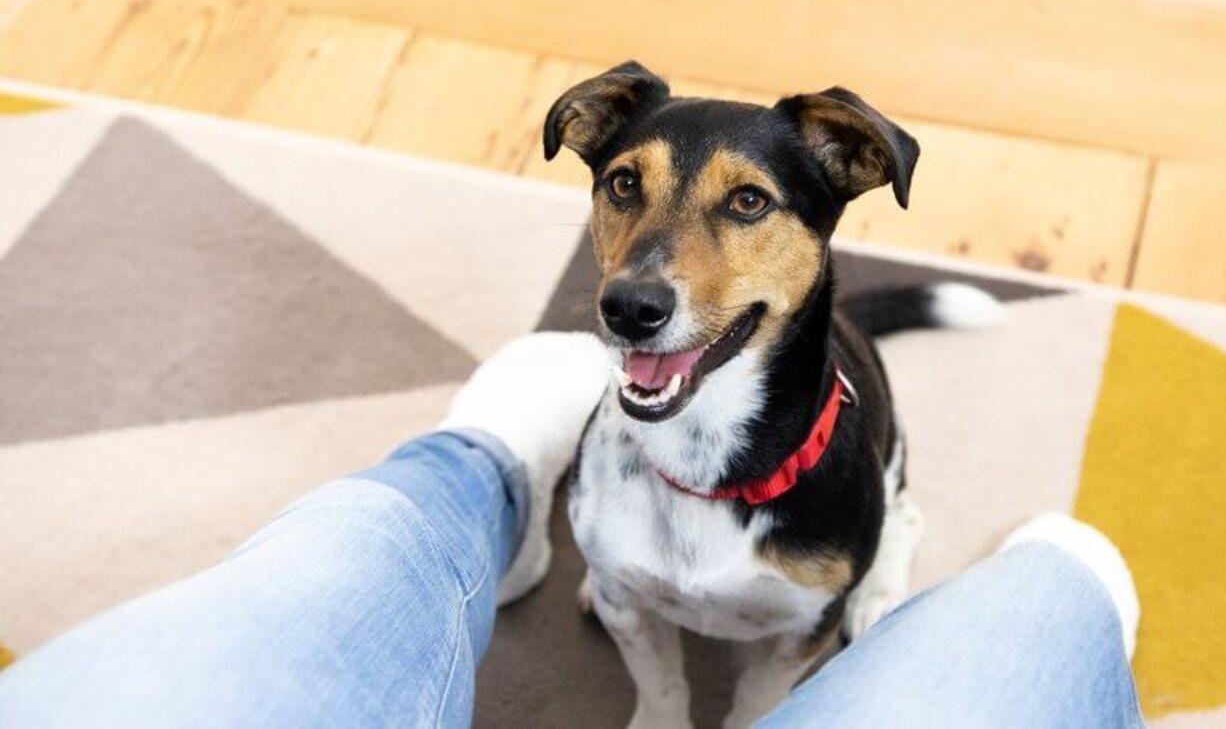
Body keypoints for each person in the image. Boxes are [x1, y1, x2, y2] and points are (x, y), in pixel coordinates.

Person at [0, 333, 1145, 728]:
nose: (644, 271)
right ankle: (1062, 584)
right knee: (1046, 606)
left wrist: (750, 701)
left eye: (743, 206)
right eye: (624, 188)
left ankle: (481, 475)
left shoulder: (835, 477)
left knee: (335, 568)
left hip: (811, 506)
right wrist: (662, 706)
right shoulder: (615, 463)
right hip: (626, 506)